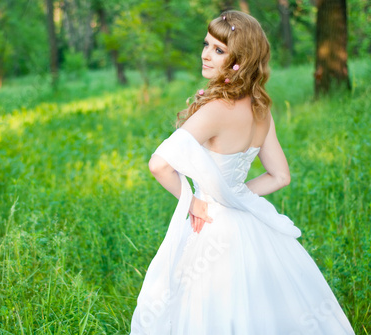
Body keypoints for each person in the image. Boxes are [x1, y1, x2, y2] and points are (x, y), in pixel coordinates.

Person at [130, 10, 355, 334]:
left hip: (212, 225)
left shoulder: (216, 111)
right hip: (250, 221)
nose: (206, 54)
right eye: (207, 44)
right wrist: (236, 195)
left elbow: (159, 164)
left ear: (240, 60)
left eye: (219, 50)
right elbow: (280, 176)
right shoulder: (260, 109)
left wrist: (195, 203)